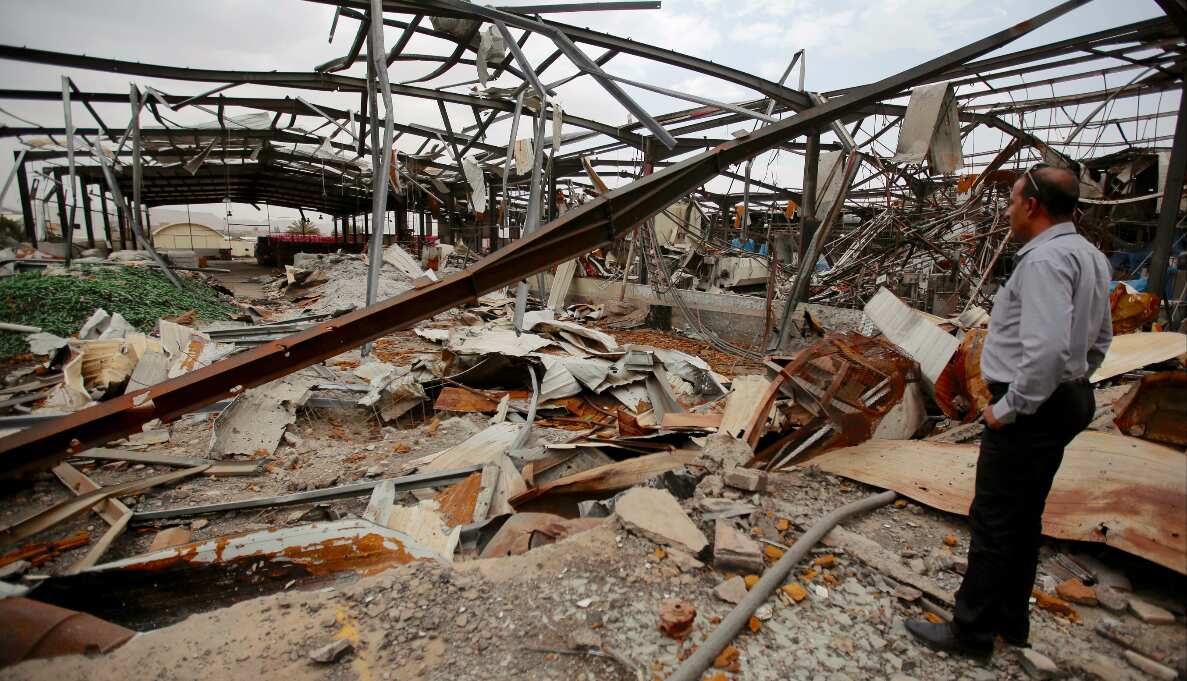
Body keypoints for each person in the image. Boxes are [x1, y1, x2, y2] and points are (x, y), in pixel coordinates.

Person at [904, 164, 1112, 659]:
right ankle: (1011, 622)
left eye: (1013, 200)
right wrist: (1076, 381)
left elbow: (1043, 350)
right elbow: (1100, 340)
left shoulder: (1042, 262)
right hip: (1070, 396)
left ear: (1033, 205)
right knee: (1025, 515)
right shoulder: (1090, 257)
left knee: (995, 518)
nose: (1009, 209)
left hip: (1032, 406)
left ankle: (970, 633)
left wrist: (1011, 407)